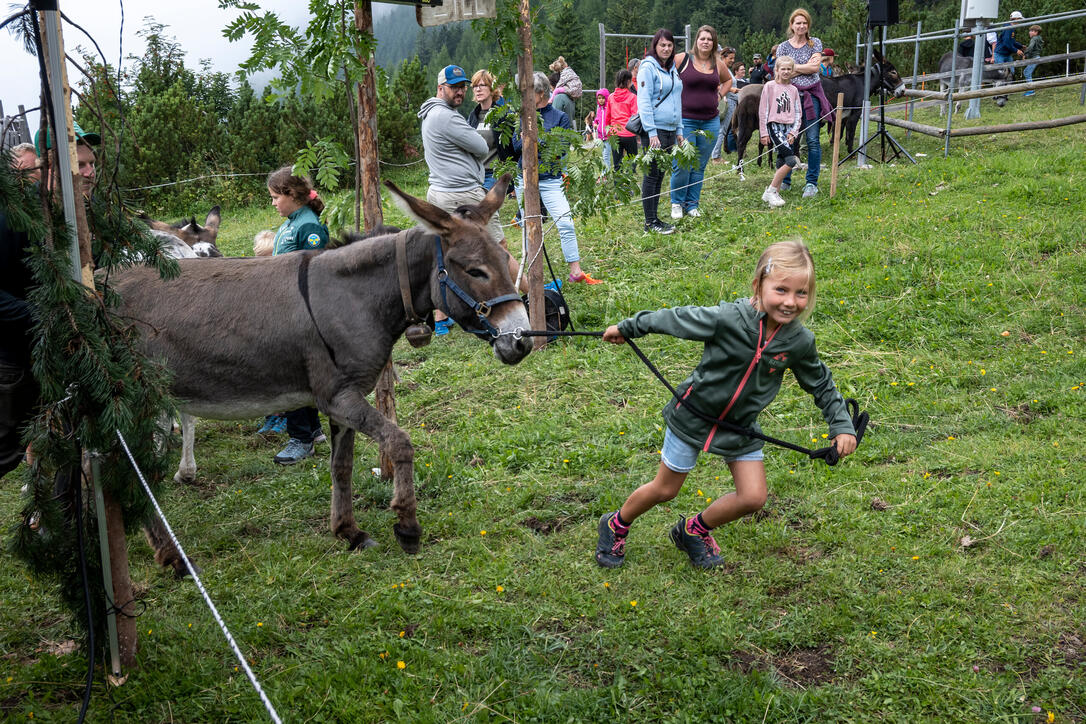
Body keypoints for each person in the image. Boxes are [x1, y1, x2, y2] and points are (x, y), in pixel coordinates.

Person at [595, 240, 857, 569]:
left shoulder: (799, 342)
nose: (790, 302)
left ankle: (692, 531)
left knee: (753, 497)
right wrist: (629, 327)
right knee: (665, 489)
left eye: (801, 293)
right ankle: (615, 524)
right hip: (693, 416)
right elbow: (675, 319)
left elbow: (820, 381)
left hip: (740, 425)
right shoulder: (728, 318)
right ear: (758, 286)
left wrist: (841, 424)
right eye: (781, 290)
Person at [419, 64, 518, 334]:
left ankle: (441, 318)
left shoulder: (429, 113)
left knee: (445, 254)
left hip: (439, 190)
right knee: (498, 247)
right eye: (455, 87)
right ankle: (524, 291)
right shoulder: (449, 117)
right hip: (464, 193)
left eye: (463, 86)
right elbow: (480, 145)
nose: (461, 91)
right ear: (441, 88)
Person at [512, 71, 601, 285]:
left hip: (550, 180)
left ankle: (576, 271)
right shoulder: (522, 117)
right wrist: (534, 142)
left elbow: (560, 149)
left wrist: (532, 141)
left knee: (566, 222)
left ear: (541, 93)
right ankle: (533, 276)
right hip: (523, 178)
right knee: (529, 227)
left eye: (528, 92)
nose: (524, 97)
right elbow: (516, 147)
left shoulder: (559, 117)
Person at [266, 166, 330, 464]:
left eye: (276, 197)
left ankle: (300, 439)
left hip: (300, 310)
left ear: (292, 195)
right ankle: (313, 429)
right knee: (301, 373)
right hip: (285, 306)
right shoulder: (293, 221)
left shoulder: (309, 227)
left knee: (289, 374)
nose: (274, 203)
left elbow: (315, 273)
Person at [669, 28, 731, 219]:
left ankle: (692, 204)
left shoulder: (717, 64)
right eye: (702, 38)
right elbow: (663, 72)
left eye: (710, 39)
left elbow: (728, 80)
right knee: (682, 163)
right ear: (696, 41)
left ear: (714, 42)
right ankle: (677, 203)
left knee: (699, 165)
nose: (706, 42)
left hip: (710, 121)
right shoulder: (682, 59)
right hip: (685, 120)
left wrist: (720, 94)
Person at [775, 9, 831, 198]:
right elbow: (781, 72)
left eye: (804, 23)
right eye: (797, 23)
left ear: (808, 25)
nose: (801, 26)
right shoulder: (783, 47)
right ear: (791, 25)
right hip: (788, 97)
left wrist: (792, 68)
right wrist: (803, 68)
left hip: (811, 96)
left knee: (813, 140)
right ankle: (785, 180)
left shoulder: (815, 43)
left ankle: (811, 183)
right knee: (789, 139)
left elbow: (815, 68)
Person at [637, 29, 684, 235]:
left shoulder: (672, 68)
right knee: (651, 175)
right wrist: (651, 131)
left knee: (660, 174)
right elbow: (644, 100)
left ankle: (655, 218)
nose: (666, 48)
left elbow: (677, 100)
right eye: (662, 45)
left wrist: (680, 129)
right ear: (655, 46)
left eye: (669, 45)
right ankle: (650, 222)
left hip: (671, 130)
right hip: (654, 131)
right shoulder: (648, 68)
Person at [758, 56, 801, 209]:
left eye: (789, 69)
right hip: (775, 126)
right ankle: (771, 190)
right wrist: (764, 132)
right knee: (791, 160)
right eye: (783, 69)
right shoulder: (769, 86)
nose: (786, 71)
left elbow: (797, 112)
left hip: (789, 128)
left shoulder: (794, 89)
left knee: (782, 160)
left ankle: (774, 192)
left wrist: (794, 132)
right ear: (776, 70)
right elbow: (764, 111)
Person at [466, 69, 514, 192]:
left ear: (492, 88)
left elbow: (512, 148)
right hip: (474, 174)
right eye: (475, 86)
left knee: (481, 204)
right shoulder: (473, 116)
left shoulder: (503, 115)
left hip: (494, 174)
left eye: (482, 85)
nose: (478, 89)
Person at [709, 46, 739, 165]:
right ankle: (716, 157)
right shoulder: (720, 68)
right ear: (723, 57)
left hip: (730, 101)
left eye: (733, 58)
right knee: (722, 129)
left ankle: (714, 154)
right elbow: (716, 84)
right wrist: (731, 89)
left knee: (721, 129)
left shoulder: (725, 69)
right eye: (730, 58)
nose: (732, 60)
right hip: (726, 102)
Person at [606, 69, 639, 168]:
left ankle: (618, 183)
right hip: (629, 133)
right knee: (632, 162)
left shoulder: (611, 97)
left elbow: (608, 117)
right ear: (628, 82)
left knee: (617, 164)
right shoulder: (633, 97)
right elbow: (635, 116)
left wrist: (608, 133)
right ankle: (630, 181)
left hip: (614, 134)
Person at [993, 11, 1026, 78]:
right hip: (1000, 54)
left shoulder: (1010, 27)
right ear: (1016, 19)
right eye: (1020, 19)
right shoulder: (1009, 28)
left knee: (1011, 72)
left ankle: (1008, 86)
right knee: (1001, 73)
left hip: (1006, 54)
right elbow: (1006, 43)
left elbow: (1011, 41)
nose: (1020, 21)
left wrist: (1020, 46)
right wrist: (1016, 50)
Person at [1023, 25, 1044, 96]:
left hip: (1034, 58)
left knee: (1027, 73)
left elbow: (1031, 47)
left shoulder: (1034, 39)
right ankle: (1030, 90)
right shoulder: (1039, 38)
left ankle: (1031, 91)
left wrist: (1025, 54)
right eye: (1030, 31)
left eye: (1031, 31)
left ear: (1036, 32)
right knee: (1026, 72)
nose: (1029, 32)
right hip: (1036, 57)